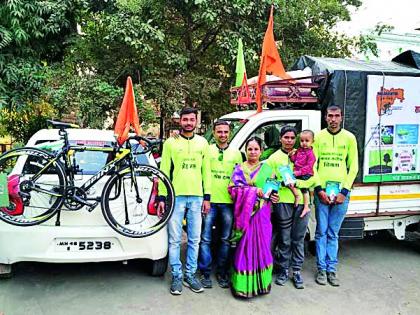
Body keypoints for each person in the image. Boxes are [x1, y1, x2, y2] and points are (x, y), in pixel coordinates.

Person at [157, 107, 211, 295]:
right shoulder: (170, 143)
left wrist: (207, 196)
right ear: (180, 121)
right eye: (185, 119)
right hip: (176, 197)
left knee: (195, 239)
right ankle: (177, 276)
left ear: (196, 122)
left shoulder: (203, 143)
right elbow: (163, 170)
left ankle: (190, 275)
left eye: (192, 119)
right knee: (174, 240)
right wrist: (162, 197)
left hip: (197, 197)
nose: (188, 122)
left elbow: (206, 172)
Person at [313, 105, 358, 287]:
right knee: (321, 232)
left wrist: (344, 192)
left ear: (341, 118)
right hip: (322, 193)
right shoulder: (318, 137)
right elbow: (312, 166)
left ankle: (332, 270)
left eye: (336, 116)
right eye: (330, 116)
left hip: (341, 194)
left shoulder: (349, 138)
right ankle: (321, 269)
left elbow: (353, 167)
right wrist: (319, 190)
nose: (333, 119)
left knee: (333, 233)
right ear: (325, 118)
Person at [198, 120, 243, 289]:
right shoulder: (207, 151)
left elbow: (238, 178)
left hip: (228, 203)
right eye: (219, 132)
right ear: (214, 133)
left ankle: (222, 272)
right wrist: (206, 198)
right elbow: (204, 175)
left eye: (225, 132)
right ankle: (205, 272)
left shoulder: (236, 153)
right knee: (206, 238)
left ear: (229, 133)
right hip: (210, 201)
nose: (222, 135)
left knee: (225, 239)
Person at [267, 126, 312, 289]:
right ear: (280, 139)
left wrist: (297, 184)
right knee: (284, 239)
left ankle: (297, 271)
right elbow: (268, 182)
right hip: (282, 202)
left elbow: (314, 178)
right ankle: (283, 270)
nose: (289, 141)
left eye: (292, 138)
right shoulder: (274, 158)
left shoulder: (304, 154)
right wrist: (272, 193)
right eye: (286, 137)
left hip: (301, 204)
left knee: (298, 238)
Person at [229, 137, 275, 298]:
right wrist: (254, 191)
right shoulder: (239, 169)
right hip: (245, 215)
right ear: (246, 151)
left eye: (256, 149)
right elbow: (233, 190)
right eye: (250, 149)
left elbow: (272, 191)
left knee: (262, 246)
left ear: (261, 151)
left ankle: (262, 283)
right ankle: (242, 285)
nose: (253, 152)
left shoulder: (268, 169)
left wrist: (273, 197)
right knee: (245, 247)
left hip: (262, 213)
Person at [288, 129, 316, 216]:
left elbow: (308, 167)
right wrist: (291, 155)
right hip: (297, 172)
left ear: (312, 141)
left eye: (307, 141)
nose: (304, 143)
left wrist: (298, 173)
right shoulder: (299, 150)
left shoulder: (311, 154)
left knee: (304, 189)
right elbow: (294, 160)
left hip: (305, 173)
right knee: (288, 181)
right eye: (302, 140)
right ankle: (297, 196)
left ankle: (306, 206)